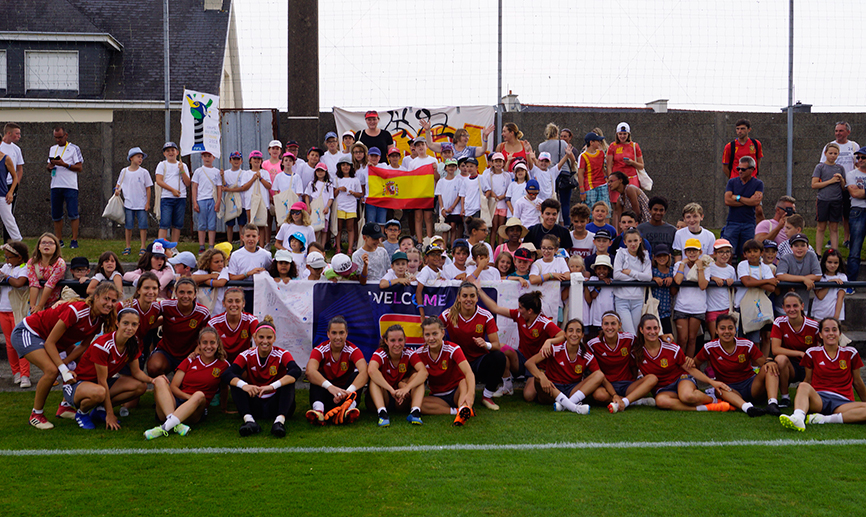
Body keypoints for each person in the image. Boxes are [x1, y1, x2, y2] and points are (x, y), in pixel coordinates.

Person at [10, 282, 120, 429]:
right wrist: (63, 369)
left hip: (52, 340)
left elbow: (83, 346)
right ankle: (36, 415)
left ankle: (65, 406)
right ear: (96, 297)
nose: (110, 304)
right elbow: (50, 342)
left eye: (113, 301)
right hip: (29, 332)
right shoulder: (78, 310)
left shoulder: (99, 318)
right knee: (52, 370)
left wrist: (67, 363)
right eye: (106, 299)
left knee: (86, 362)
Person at [63, 307, 152, 430]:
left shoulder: (133, 343)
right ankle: (82, 413)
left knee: (140, 386)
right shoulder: (103, 345)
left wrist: (153, 380)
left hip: (99, 385)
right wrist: (110, 414)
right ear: (117, 323)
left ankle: (100, 410)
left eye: (134, 324)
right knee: (100, 392)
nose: (130, 328)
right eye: (125, 323)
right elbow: (102, 381)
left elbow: (136, 372)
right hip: (78, 384)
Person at [476, 289, 565, 403]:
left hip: (536, 365)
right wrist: (479, 291)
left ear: (530, 311)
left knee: (528, 396)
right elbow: (495, 309)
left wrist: (549, 341)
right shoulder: (519, 315)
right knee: (501, 348)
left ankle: (543, 383)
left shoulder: (544, 322)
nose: (518, 310)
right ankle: (507, 387)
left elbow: (562, 335)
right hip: (521, 358)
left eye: (520, 307)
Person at [780, 317, 866, 431]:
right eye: (826, 330)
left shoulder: (851, 353)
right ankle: (798, 418)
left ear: (839, 333)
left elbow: (857, 382)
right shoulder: (812, 352)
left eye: (834, 330)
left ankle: (824, 419)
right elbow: (808, 380)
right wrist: (801, 401)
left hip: (843, 401)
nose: (831, 333)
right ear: (820, 334)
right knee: (803, 386)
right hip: (819, 399)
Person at [146, 326, 231, 439]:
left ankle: (163, 428)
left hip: (196, 408)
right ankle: (173, 422)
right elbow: (174, 387)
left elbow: (225, 387)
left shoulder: (223, 365)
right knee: (160, 380)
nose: (209, 346)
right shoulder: (190, 360)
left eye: (212, 343)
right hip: (175, 404)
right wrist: (188, 397)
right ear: (199, 344)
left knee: (199, 394)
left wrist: (223, 409)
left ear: (217, 344)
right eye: (205, 343)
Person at [634, 314, 732, 412]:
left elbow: (689, 368)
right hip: (662, 388)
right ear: (641, 330)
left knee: (687, 396)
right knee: (661, 401)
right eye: (648, 328)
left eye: (655, 328)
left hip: (681, 379)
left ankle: (714, 400)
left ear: (659, 329)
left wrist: (711, 382)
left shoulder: (671, 347)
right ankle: (704, 408)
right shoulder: (637, 351)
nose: (652, 331)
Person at [226, 316, 301, 437]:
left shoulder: (282, 354)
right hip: (255, 402)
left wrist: (271, 387)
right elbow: (227, 374)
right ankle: (249, 421)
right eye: (261, 337)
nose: (265, 341)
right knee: (236, 383)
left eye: (269, 337)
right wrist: (245, 386)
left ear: (274, 338)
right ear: (254, 337)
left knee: (289, 381)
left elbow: (295, 371)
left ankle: (279, 422)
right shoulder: (246, 355)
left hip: (275, 404)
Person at [693, 314, 779, 417]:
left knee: (770, 367)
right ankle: (748, 408)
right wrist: (709, 381)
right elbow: (694, 365)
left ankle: (772, 404)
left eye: (730, 328)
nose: (727, 332)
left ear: (735, 329)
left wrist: (770, 361)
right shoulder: (709, 347)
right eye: (722, 328)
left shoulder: (746, 344)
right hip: (729, 388)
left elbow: (763, 362)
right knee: (719, 390)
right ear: (716, 330)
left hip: (751, 386)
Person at [439, 282, 507, 409]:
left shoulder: (486, 316)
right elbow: (433, 329)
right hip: (457, 362)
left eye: (472, 296)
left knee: (499, 357)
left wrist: (486, 344)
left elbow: (496, 345)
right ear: (458, 298)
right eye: (465, 296)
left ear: (477, 298)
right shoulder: (448, 314)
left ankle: (487, 396)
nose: (468, 299)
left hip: (478, 362)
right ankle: (444, 394)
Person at [584, 312, 658, 413]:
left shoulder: (629, 339)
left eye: (613, 324)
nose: (610, 327)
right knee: (599, 395)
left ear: (619, 325)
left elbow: (645, 342)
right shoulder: (593, 344)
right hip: (606, 385)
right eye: (606, 324)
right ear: (601, 325)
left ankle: (624, 401)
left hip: (627, 384)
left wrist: (662, 338)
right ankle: (633, 401)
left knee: (652, 379)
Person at [524, 318, 598, 414]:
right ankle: (575, 407)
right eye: (571, 330)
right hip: (552, 389)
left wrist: (614, 395)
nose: (574, 334)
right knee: (538, 378)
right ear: (565, 334)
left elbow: (599, 376)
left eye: (578, 331)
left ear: (582, 335)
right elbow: (529, 363)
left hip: (572, 390)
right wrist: (542, 376)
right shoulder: (555, 348)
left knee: (599, 375)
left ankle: (566, 405)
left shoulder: (586, 354)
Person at [305, 316, 368, 425]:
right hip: (327, 394)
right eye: (334, 333)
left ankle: (348, 410)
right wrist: (330, 387)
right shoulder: (320, 350)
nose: (338, 337)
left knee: (357, 375)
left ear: (346, 334)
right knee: (316, 375)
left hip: (345, 395)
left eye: (341, 333)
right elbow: (309, 372)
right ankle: (318, 411)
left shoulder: (353, 350)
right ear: (328, 334)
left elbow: (365, 372)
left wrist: (347, 392)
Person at [415, 317, 476, 426]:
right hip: (438, 396)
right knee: (418, 404)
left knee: (464, 381)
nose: (431, 338)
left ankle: (464, 409)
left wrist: (471, 394)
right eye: (427, 335)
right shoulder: (419, 353)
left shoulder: (453, 349)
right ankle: (458, 412)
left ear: (442, 333)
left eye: (435, 334)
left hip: (457, 392)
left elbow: (469, 373)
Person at [146, 278, 210, 377]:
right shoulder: (165, 305)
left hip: (190, 353)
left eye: (189, 292)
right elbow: (148, 321)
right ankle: (162, 387)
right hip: (166, 351)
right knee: (154, 367)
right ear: (175, 293)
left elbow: (205, 338)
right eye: (181, 292)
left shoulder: (202, 312)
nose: (185, 296)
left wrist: (196, 352)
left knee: (192, 380)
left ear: (195, 294)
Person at [367, 325, 427, 427]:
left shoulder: (408, 353)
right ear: (386, 341)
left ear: (405, 340)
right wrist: (391, 390)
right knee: (374, 380)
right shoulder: (381, 353)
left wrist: (406, 388)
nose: (397, 344)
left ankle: (415, 412)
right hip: (384, 396)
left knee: (418, 376)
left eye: (400, 340)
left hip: (401, 400)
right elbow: (372, 370)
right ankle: (382, 414)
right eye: (393, 340)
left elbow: (424, 372)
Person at [771, 292, 820, 408]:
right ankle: (785, 397)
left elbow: (820, 350)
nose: (792, 309)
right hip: (790, 366)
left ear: (802, 306)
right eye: (788, 306)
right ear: (783, 308)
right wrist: (800, 353)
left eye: (795, 306)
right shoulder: (779, 322)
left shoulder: (814, 326)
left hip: (808, 365)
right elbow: (775, 349)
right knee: (780, 359)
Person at [820, 122, 859, 247]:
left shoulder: (853, 146)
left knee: (847, 214)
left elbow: (857, 164)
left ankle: (847, 239)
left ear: (848, 132)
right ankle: (832, 238)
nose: (838, 133)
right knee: (832, 215)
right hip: (833, 186)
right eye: (836, 131)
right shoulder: (829, 146)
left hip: (848, 185)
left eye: (841, 131)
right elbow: (823, 164)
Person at [46, 126, 83, 248]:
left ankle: (74, 240)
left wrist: (65, 164)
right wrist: (50, 166)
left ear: (66, 135)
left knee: (73, 213)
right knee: (56, 214)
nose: (58, 140)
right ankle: (59, 240)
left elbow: (79, 168)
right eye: (55, 138)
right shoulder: (52, 149)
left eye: (60, 137)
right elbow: (48, 165)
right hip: (55, 184)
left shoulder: (73, 148)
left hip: (70, 185)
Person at [672, 238, 710, 357]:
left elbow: (703, 285)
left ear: (700, 252)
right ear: (685, 252)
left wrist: (699, 267)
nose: (692, 253)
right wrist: (683, 264)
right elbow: (677, 281)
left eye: (695, 250)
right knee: (682, 339)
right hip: (682, 306)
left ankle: (688, 367)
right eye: (689, 251)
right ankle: (679, 365)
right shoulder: (679, 264)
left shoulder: (705, 265)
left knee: (692, 339)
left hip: (697, 307)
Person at [722, 156, 764, 259]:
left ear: (752, 170)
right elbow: (727, 200)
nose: (740, 171)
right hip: (733, 222)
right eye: (738, 169)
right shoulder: (732, 182)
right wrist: (748, 201)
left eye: (743, 169)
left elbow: (756, 201)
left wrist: (737, 197)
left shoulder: (758, 184)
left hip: (749, 223)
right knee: (728, 252)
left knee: (747, 253)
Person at [722, 119, 764, 222]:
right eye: (737, 129)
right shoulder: (730, 146)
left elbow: (758, 159)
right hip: (737, 182)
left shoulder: (755, 144)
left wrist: (752, 174)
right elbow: (725, 167)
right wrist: (735, 178)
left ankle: (760, 233)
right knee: (737, 208)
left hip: (752, 182)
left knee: (758, 209)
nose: (739, 131)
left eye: (742, 129)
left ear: (749, 130)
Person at [0, 242, 29, 387]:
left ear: (19, 257)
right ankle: (16, 373)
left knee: (20, 343)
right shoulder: (6, 267)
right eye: (5, 257)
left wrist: (5, 277)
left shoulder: (23, 268)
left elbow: (19, 283)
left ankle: (25, 375)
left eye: (9, 257)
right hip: (3, 310)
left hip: (18, 310)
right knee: (10, 344)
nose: (6, 260)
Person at [613, 228, 652, 335]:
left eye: (635, 240)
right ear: (625, 242)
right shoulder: (621, 253)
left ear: (640, 240)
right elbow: (616, 275)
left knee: (638, 332)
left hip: (638, 299)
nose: (633, 244)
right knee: (630, 333)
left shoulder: (645, 255)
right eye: (629, 241)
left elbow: (648, 277)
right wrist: (639, 277)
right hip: (622, 299)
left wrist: (630, 272)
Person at [115, 147, 152, 255]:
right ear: (131, 158)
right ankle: (127, 246)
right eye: (138, 157)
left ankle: (143, 246)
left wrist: (147, 202)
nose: (140, 159)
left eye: (141, 157)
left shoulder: (144, 172)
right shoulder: (124, 171)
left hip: (141, 203)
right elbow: (119, 184)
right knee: (128, 226)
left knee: (143, 226)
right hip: (129, 203)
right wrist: (117, 190)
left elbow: (148, 188)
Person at [776, 233, 821, 315]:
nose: (799, 248)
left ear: (808, 247)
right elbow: (780, 275)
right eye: (796, 245)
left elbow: (818, 275)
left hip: (803, 304)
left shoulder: (812, 256)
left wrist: (794, 281)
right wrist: (803, 279)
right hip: (784, 305)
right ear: (791, 247)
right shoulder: (785, 258)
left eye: (803, 245)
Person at [812, 143, 847, 251]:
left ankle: (834, 251)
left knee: (834, 227)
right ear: (825, 153)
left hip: (836, 200)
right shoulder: (820, 167)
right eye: (830, 153)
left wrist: (841, 180)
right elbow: (814, 184)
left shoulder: (840, 168)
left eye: (835, 153)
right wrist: (830, 181)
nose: (832, 155)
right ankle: (818, 252)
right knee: (821, 227)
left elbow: (844, 187)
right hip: (823, 200)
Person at [155, 141, 190, 244]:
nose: (170, 152)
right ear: (164, 154)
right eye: (168, 151)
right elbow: (159, 180)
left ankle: (173, 246)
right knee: (164, 223)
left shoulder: (182, 165)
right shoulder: (162, 165)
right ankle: (160, 246)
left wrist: (182, 170)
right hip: (167, 197)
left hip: (181, 198)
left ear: (177, 152)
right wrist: (172, 190)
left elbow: (187, 183)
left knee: (178, 224)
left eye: (172, 150)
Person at [191, 151, 222, 252]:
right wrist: (195, 202)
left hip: (212, 199)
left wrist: (218, 202)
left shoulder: (217, 172)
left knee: (212, 224)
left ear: (213, 157)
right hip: (201, 200)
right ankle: (201, 245)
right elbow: (194, 187)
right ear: (202, 157)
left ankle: (211, 245)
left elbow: (219, 188)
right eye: (205, 156)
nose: (207, 158)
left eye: (209, 156)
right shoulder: (198, 171)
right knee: (202, 224)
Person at [26, 232, 66, 312]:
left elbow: (50, 284)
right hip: (35, 298)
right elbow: (34, 283)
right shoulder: (32, 262)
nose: (47, 245)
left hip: (53, 303)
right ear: (38, 247)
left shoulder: (60, 263)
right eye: (43, 243)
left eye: (51, 243)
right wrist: (33, 306)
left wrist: (40, 306)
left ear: (56, 247)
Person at [420, 119, 493, 160]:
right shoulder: (447, 147)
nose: (467, 138)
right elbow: (430, 145)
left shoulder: (470, 150)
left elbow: (483, 150)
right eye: (464, 136)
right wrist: (427, 130)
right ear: (457, 137)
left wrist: (485, 137)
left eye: (467, 136)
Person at [0, 123, 23, 243]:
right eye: (17, 133)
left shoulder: (15, 150)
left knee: (8, 218)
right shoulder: (1, 146)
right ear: (8, 133)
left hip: (7, 188)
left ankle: (12, 243)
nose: (19, 136)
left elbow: (18, 171)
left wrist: (14, 188)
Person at [846, 146, 866, 280]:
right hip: (858, 211)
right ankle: (851, 282)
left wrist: (862, 191)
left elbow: (859, 192)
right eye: (857, 157)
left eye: (863, 157)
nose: (859, 160)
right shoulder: (851, 174)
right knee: (854, 250)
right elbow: (854, 193)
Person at [606, 122, 643, 190]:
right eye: (620, 134)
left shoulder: (635, 146)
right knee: (616, 200)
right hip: (617, 180)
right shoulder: (612, 146)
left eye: (624, 134)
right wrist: (611, 180)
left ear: (628, 134)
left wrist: (632, 162)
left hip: (631, 179)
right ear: (617, 134)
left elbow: (641, 166)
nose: (622, 136)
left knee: (632, 198)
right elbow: (609, 166)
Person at [812, 249, 847, 322]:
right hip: (820, 314)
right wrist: (829, 283)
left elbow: (840, 297)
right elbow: (820, 296)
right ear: (824, 262)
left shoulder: (842, 277)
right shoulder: (818, 277)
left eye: (836, 263)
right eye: (829, 262)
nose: (832, 265)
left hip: (835, 314)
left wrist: (836, 317)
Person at [577, 132, 608, 209]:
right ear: (591, 142)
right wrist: (582, 190)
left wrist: (607, 179)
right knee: (590, 211)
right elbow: (580, 174)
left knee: (606, 210)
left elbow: (603, 168)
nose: (599, 143)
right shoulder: (583, 156)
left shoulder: (601, 153)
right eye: (597, 141)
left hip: (603, 185)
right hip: (590, 187)